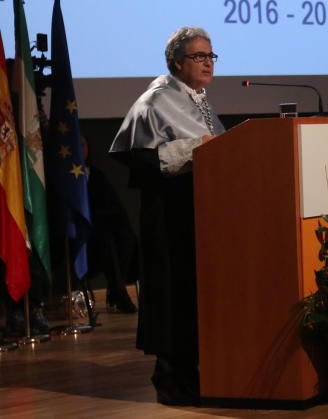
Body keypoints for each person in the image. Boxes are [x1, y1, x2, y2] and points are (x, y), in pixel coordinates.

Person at [109, 27, 224, 406]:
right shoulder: (155, 101)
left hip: (202, 215)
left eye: (211, 56)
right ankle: (173, 381)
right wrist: (196, 149)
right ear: (177, 62)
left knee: (198, 297)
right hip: (170, 220)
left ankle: (200, 375)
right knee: (174, 297)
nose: (208, 62)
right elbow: (137, 160)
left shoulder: (199, 100)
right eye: (199, 56)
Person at [83, 136, 138, 314]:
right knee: (105, 238)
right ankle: (118, 293)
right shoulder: (62, 178)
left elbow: (112, 207)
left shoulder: (96, 175)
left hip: (100, 231)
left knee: (125, 236)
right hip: (78, 239)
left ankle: (116, 290)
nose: (80, 149)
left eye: (83, 144)